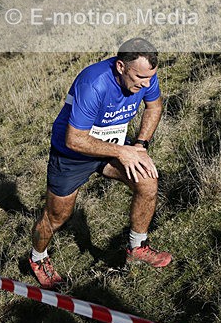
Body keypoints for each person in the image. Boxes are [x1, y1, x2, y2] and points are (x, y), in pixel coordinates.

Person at [30, 38, 172, 289]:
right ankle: (38, 258)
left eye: (150, 77)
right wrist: (123, 152)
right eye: (140, 77)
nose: (146, 84)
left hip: (114, 148)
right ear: (120, 67)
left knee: (148, 182)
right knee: (57, 217)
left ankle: (137, 247)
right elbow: (74, 139)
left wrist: (139, 145)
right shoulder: (93, 83)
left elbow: (154, 106)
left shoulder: (146, 75)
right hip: (73, 155)